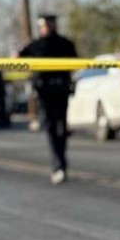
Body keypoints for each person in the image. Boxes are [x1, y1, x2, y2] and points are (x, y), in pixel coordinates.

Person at [19, 15, 78, 185]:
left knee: (59, 128)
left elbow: (76, 63)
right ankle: (58, 165)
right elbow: (18, 58)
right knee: (53, 128)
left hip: (59, 89)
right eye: (43, 25)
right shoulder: (37, 44)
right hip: (45, 91)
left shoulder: (63, 43)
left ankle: (60, 165)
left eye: (47, 25)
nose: (45, 28)